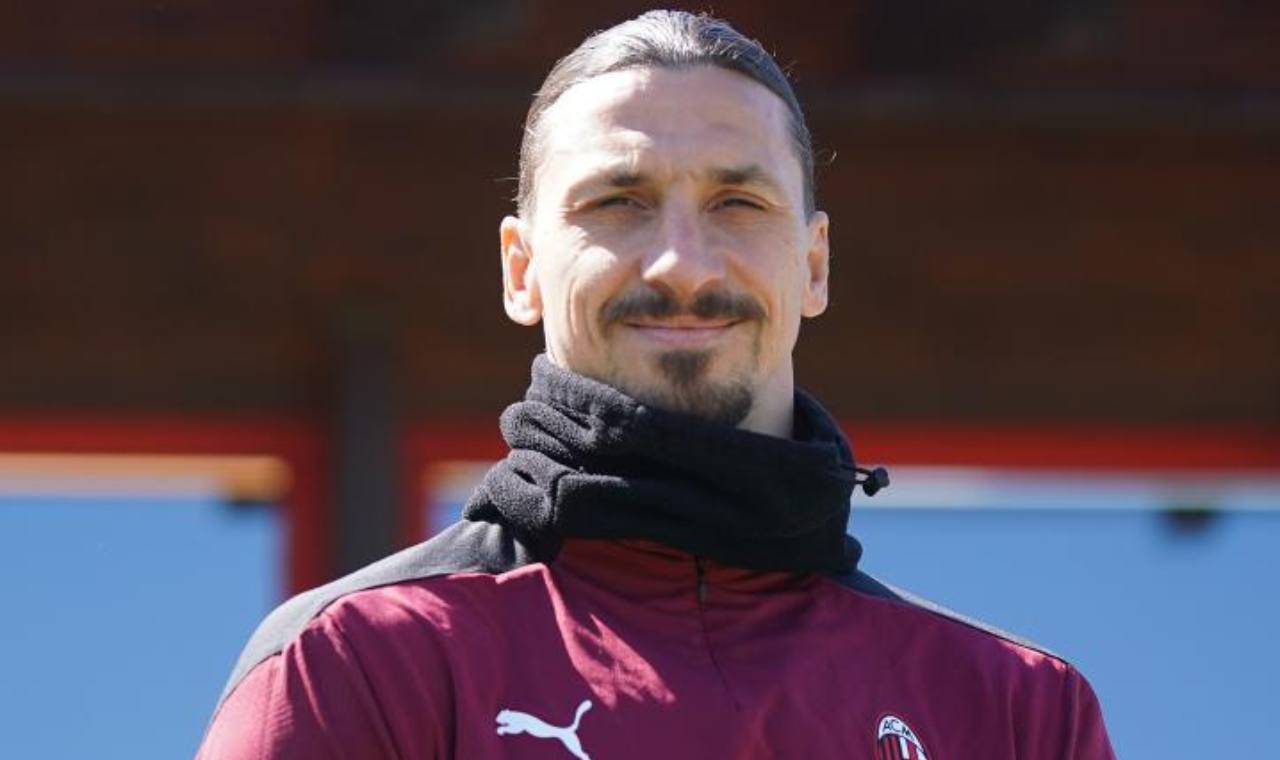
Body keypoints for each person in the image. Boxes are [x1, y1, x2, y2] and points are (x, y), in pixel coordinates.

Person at [198, 10, 1115, 759]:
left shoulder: (1016, 712)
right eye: (619, 202)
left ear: (815, 265)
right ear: (521, 269)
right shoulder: (357, 664)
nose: (682, 263)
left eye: (738, 203)